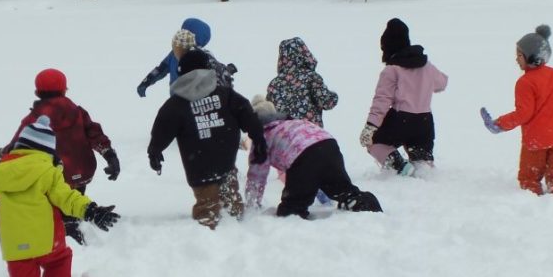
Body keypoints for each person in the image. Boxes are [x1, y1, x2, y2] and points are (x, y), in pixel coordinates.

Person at [0, 116, 121, 277]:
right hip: (49, 244)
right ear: (47, 150)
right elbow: (68, 198)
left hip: (16, 250)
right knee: (60, 261)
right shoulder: (48, 173)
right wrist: (91, 210)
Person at [0, 68, 119, 245]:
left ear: (37, 92)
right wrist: (109, 154)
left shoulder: (34, 119)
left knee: (58, 198)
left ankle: (68, 227)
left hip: (57, 174)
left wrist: (2, 155)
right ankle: (80, 215)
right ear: (64, 90)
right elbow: (95, 134)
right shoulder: (77, 111)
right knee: (75, 192)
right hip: (83, 169)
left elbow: (19, 144)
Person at [148, 49, 266, 229]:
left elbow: (162, 128)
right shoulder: (226, 95)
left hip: (199, 167)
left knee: (207, 207)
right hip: (226, 162)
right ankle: (237, 230)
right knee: (232, 201)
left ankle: (210, 233)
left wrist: (154, 151)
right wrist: (258, 138)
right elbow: (247, 114)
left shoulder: (176, 104)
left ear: (181, 72)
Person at [480, 25, 553, 201]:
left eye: (519, 55)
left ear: (533, 58)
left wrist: (499, 124)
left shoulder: (525, 82)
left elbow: (524, 114)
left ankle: (531, 196)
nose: (516, 59)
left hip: (536, 141)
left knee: (529, 176)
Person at [245, 96, 382, 219]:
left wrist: (252, 205)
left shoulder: (261, 138)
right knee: (341, 189)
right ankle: (362, 203)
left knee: (292, 207)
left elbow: (257, 176)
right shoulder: (292, 122)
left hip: (303, 157)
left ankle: (294, 218)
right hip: (329, 146)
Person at [360, 18, 448, 177]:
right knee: (422, 159)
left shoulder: (392, 70)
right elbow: (442, 83)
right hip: (425, 122)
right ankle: (424, 171)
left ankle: (400, 167)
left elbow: (382, 100)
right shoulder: (426, 65)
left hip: (400, 120)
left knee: (375, 142)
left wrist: (371, 127)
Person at [136, 18, 236, 97]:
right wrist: (146, 81)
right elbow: (161, 69)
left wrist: (226, 71)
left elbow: (215, 72)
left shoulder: (202, 56)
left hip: (195, 101)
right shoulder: (175, 53)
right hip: (178, 100)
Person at [268, 37, 338, 127]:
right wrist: (334, 97)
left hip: (285, 136)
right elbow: (327, 102)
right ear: (304, 53)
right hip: (309, 135)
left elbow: (269, 113)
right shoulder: (311, 77)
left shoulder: (274, 84)